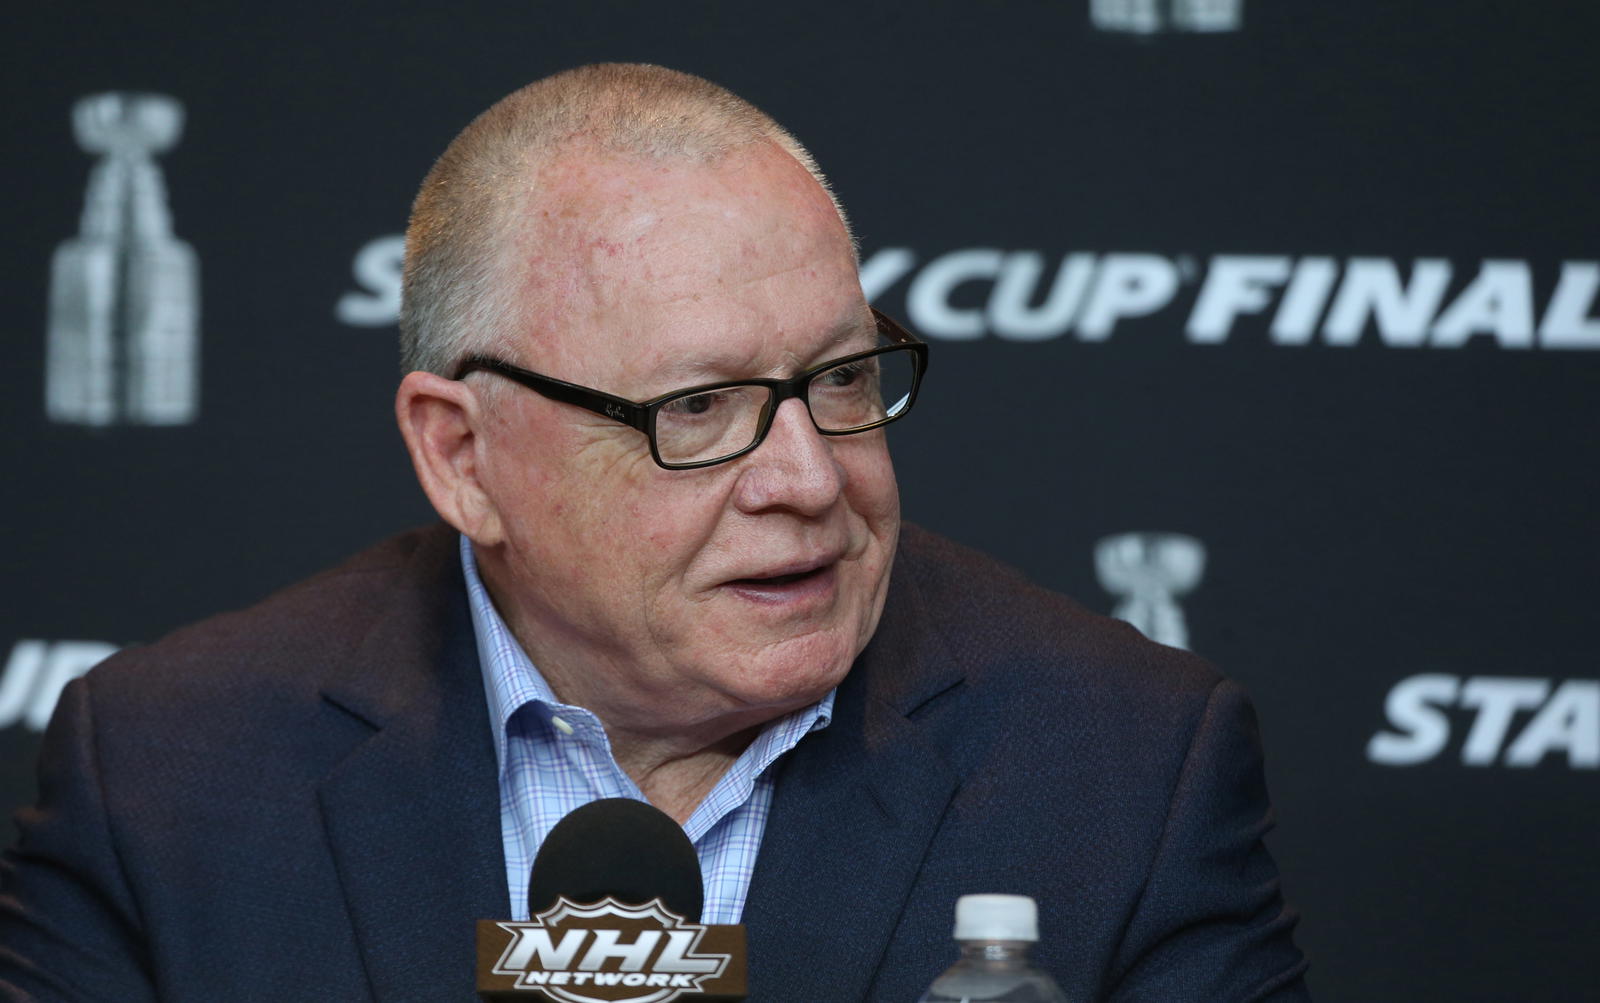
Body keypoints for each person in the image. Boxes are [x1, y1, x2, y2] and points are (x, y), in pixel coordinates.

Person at [0, 64, 1309, 1001]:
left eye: (842, 380)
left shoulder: (1123, 770)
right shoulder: (168, 779)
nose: (808, 477)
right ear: (463, 457)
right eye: (698, 407)